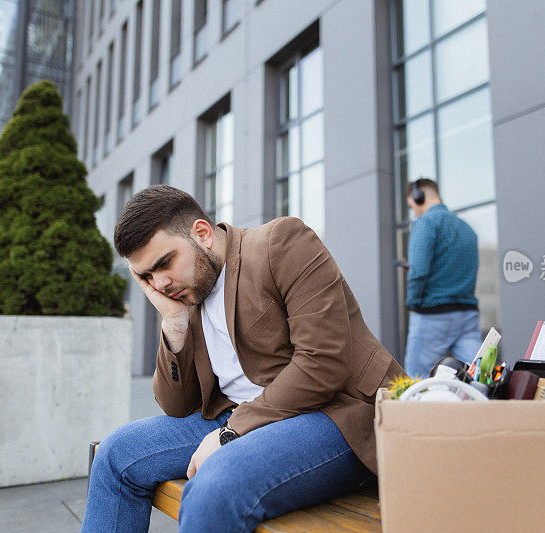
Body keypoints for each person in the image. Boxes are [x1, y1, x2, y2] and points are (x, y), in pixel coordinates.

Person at [82, 185, 405, 533]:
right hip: (238, 417)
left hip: (335, 415)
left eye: (164, 263)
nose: (159, 283)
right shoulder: (187, 294)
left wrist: (231, 432)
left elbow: (322, 363)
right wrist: (174, 323)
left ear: (202, 234)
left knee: (212, 489)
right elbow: (176, 406)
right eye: (146, 276)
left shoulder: (281, 242)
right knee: (115, 453)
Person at [403, 178, 482, 377]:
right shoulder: (468, 230)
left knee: (416, 381)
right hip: (467, 316)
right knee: (477, 379)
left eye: (411, 205)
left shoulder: (425, 223)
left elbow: (419, 272)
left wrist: (413, 304)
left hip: (432, 315)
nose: (413, 211)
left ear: (418, 197)